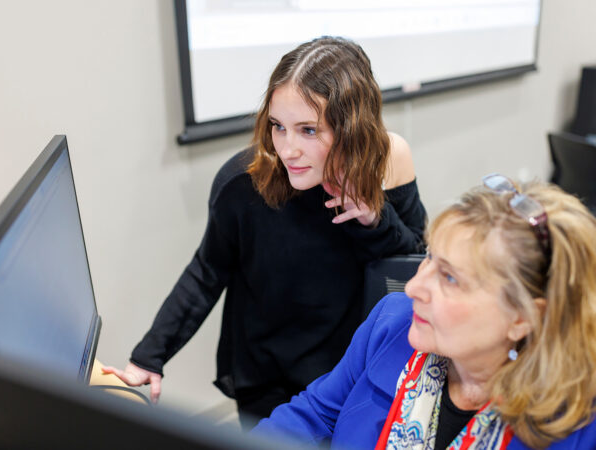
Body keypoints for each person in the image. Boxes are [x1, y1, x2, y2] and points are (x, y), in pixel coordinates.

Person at [102, 36, 426, 426]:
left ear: (353, 128)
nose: (287, 149)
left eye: (308, 130)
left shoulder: (388, 160)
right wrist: (148, 357)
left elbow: (412, 264)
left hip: (346, 371)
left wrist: (374, 219)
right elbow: (207, 272)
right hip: (267, 374)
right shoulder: (244, 183)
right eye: (278, 126)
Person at [253, 175, 596, 449]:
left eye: (449, 277)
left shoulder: (577, 426)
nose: (414, 288)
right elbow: (313, 415)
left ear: (523, 318)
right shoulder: (393, 322)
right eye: (429, 257)